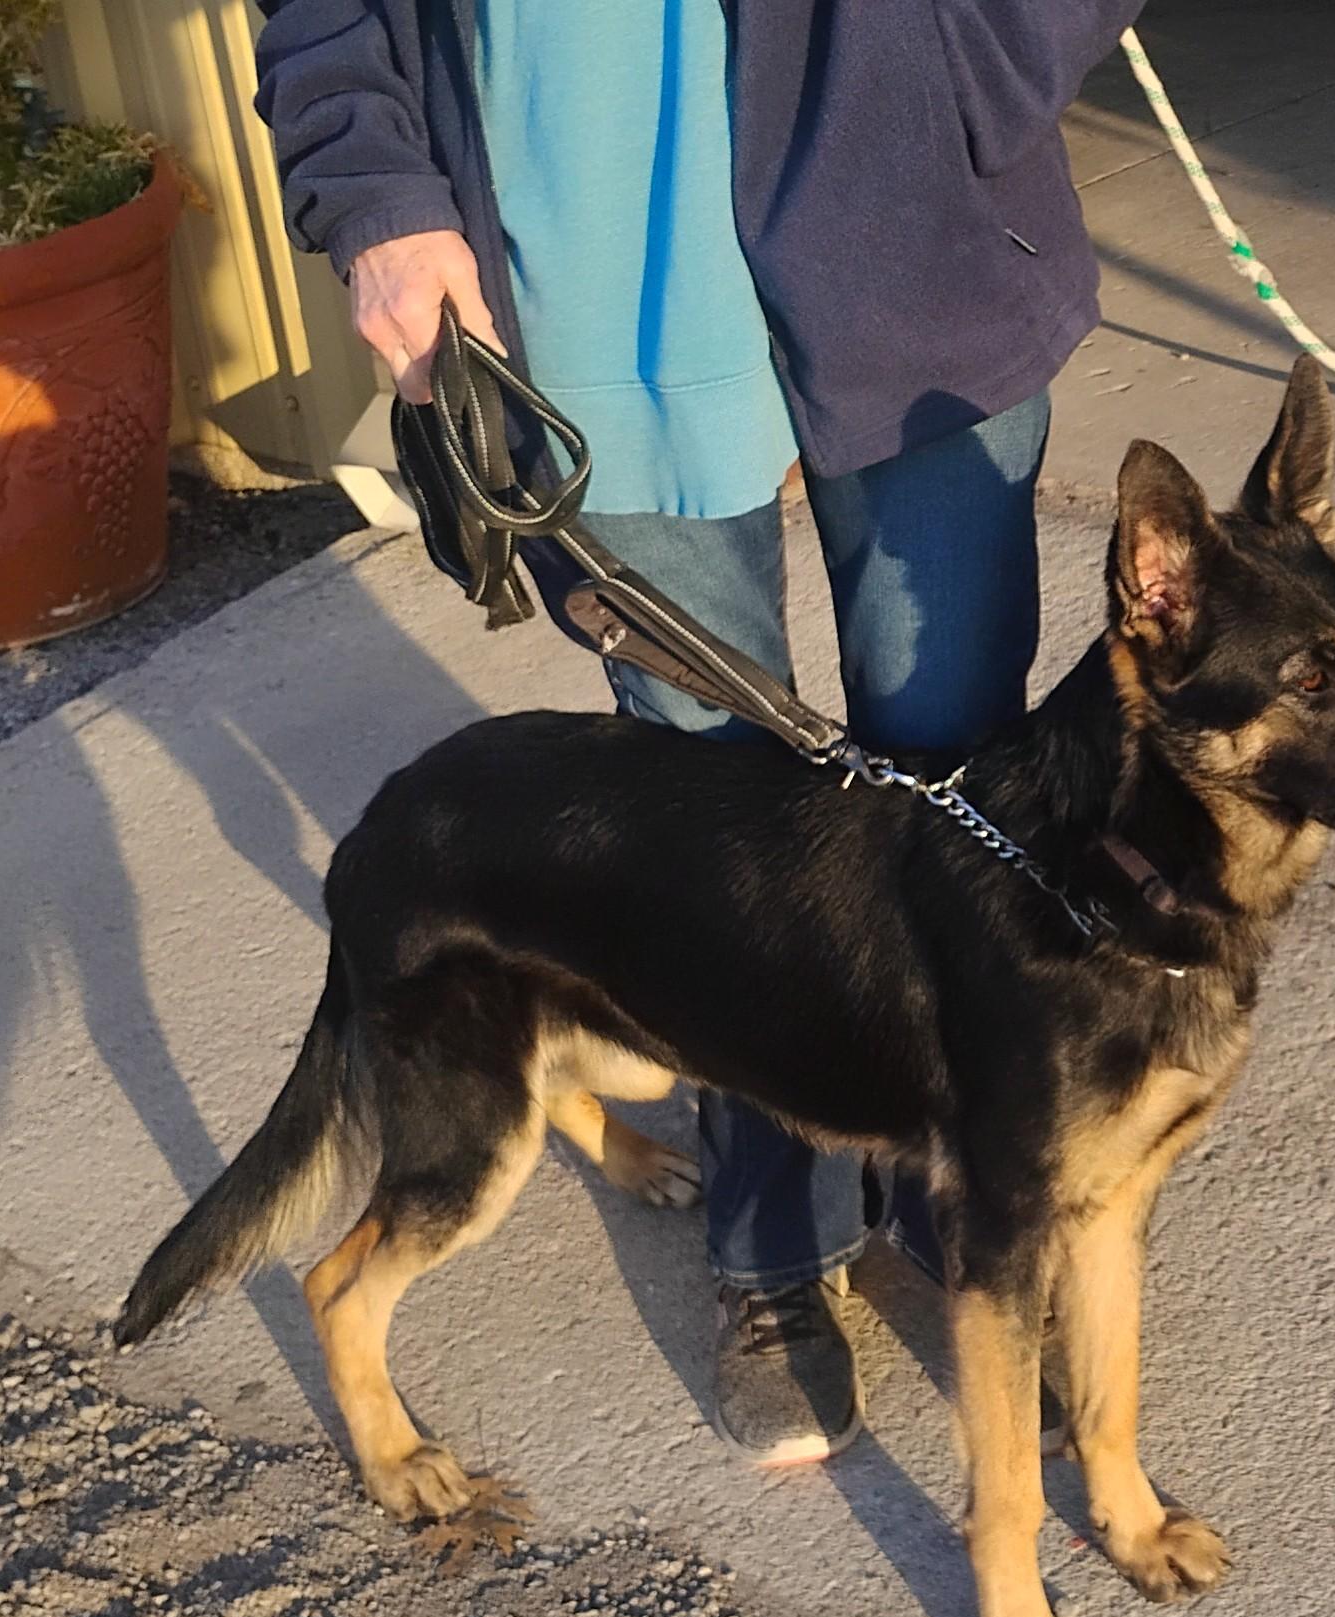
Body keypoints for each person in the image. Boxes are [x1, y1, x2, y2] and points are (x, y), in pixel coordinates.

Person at [254, 0, 1141, 1468]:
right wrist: (381, 194)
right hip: (578, 235)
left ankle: (963, 1184)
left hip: (910, 220)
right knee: (711, 825)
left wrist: (983, 64)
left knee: (959, 786)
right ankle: (776, 1236)